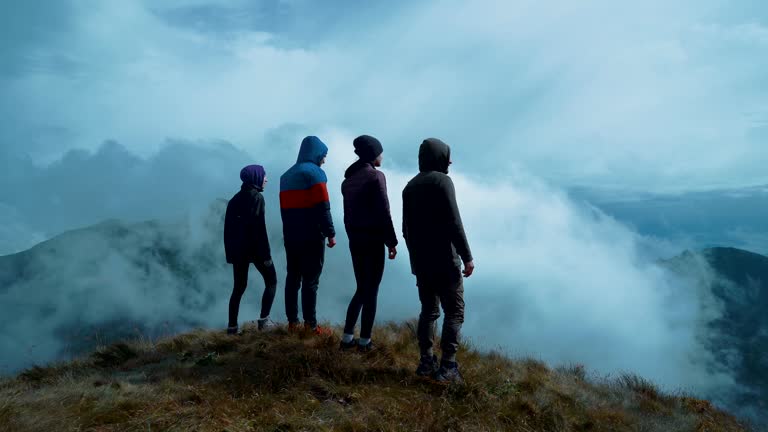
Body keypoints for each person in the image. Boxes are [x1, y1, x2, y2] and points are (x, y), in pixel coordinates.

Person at [402, 138, 475, 383]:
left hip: (421, 263)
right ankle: (448, 367)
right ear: (439, 157)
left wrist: (415, 256)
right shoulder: (443, 182)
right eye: (447, 156)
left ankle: (426, 361)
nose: (450, 161)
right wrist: (467, 257)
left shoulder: (409, 187)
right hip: (445, 260)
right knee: (454, 312)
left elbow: (405, 229)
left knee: (429, 311)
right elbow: (454, 221)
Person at [339, 135, 398, 352]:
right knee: (371, 290)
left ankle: (347, 338)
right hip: (373, 241)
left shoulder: (348, 181)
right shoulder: (376, 177)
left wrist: (353, 236)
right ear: (373, 154)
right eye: (380, 152)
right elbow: (384, 211)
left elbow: (347, 217)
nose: (382, 156)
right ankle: (364, 341)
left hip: (356, 241)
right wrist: (391, 241)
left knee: (362, 288)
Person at [279, 136, 336, 335]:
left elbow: (285, 211)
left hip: (291, 236)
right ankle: (310, 324)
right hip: (312, 235)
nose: (324, 160)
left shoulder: (285, 177)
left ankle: (292, 322)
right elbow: (323, 207)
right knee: (311, 280)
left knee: (292, 278)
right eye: (324, 155)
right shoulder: (316, 174)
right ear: (316, 153)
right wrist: (330, 233)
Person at [223, 164, 278, 335]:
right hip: (256, 250)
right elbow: (258, 229)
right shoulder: (257, 198)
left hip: (238, 252)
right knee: (271, 281)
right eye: (264, 176)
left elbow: (228, 230)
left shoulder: (234, 199)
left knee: (238, 288)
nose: (266, 179)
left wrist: (230, 254)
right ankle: (264, 321)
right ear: (256, 177)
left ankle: (232, 328)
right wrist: (266, 255)